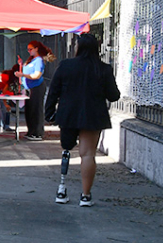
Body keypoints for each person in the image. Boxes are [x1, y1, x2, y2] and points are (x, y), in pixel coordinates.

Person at [45, 34, 121, 207]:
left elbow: (54, 91)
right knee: (87, 155)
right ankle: (85, 195)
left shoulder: (66, 66)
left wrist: (49, 113)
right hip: (93, 115)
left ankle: (61, 189)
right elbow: (114, 96)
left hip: (68, 114)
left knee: (66, 149)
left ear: (78, 47)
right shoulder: (103, 69)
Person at [16, 40, 55, 141]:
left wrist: (23, 75)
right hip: (29, 87)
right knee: (29, 110)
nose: (29, 51)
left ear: (36, 49)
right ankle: (31, 131)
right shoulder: (31, 60)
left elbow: (36, 75)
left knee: (36, 110)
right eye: (28, 49)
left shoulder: (39, 60)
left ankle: (37, 132)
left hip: (36, 87)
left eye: (31, 49)